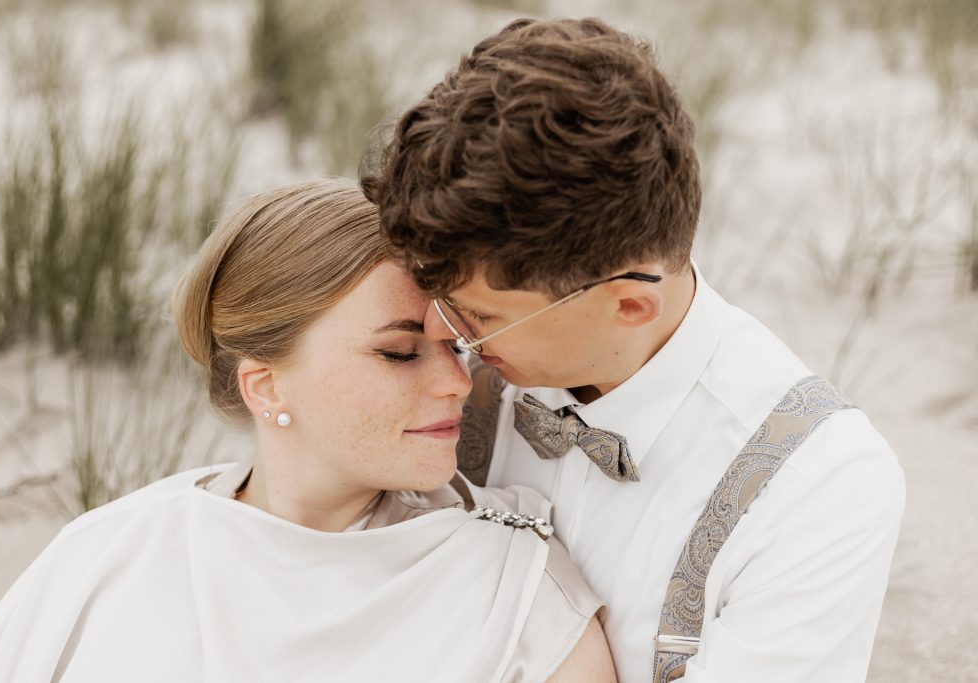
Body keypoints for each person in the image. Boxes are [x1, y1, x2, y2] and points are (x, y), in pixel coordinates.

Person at [362, 17, 906, 683]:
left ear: (629, 303)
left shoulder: (821, 484)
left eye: (479, 317)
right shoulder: (441, 374)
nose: (442, 337)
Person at [0, 181, 617, 683]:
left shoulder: (516, 585)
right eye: (399, 352)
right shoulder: (112, 553)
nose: (456, 383)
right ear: (265, 385)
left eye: (457, 347)